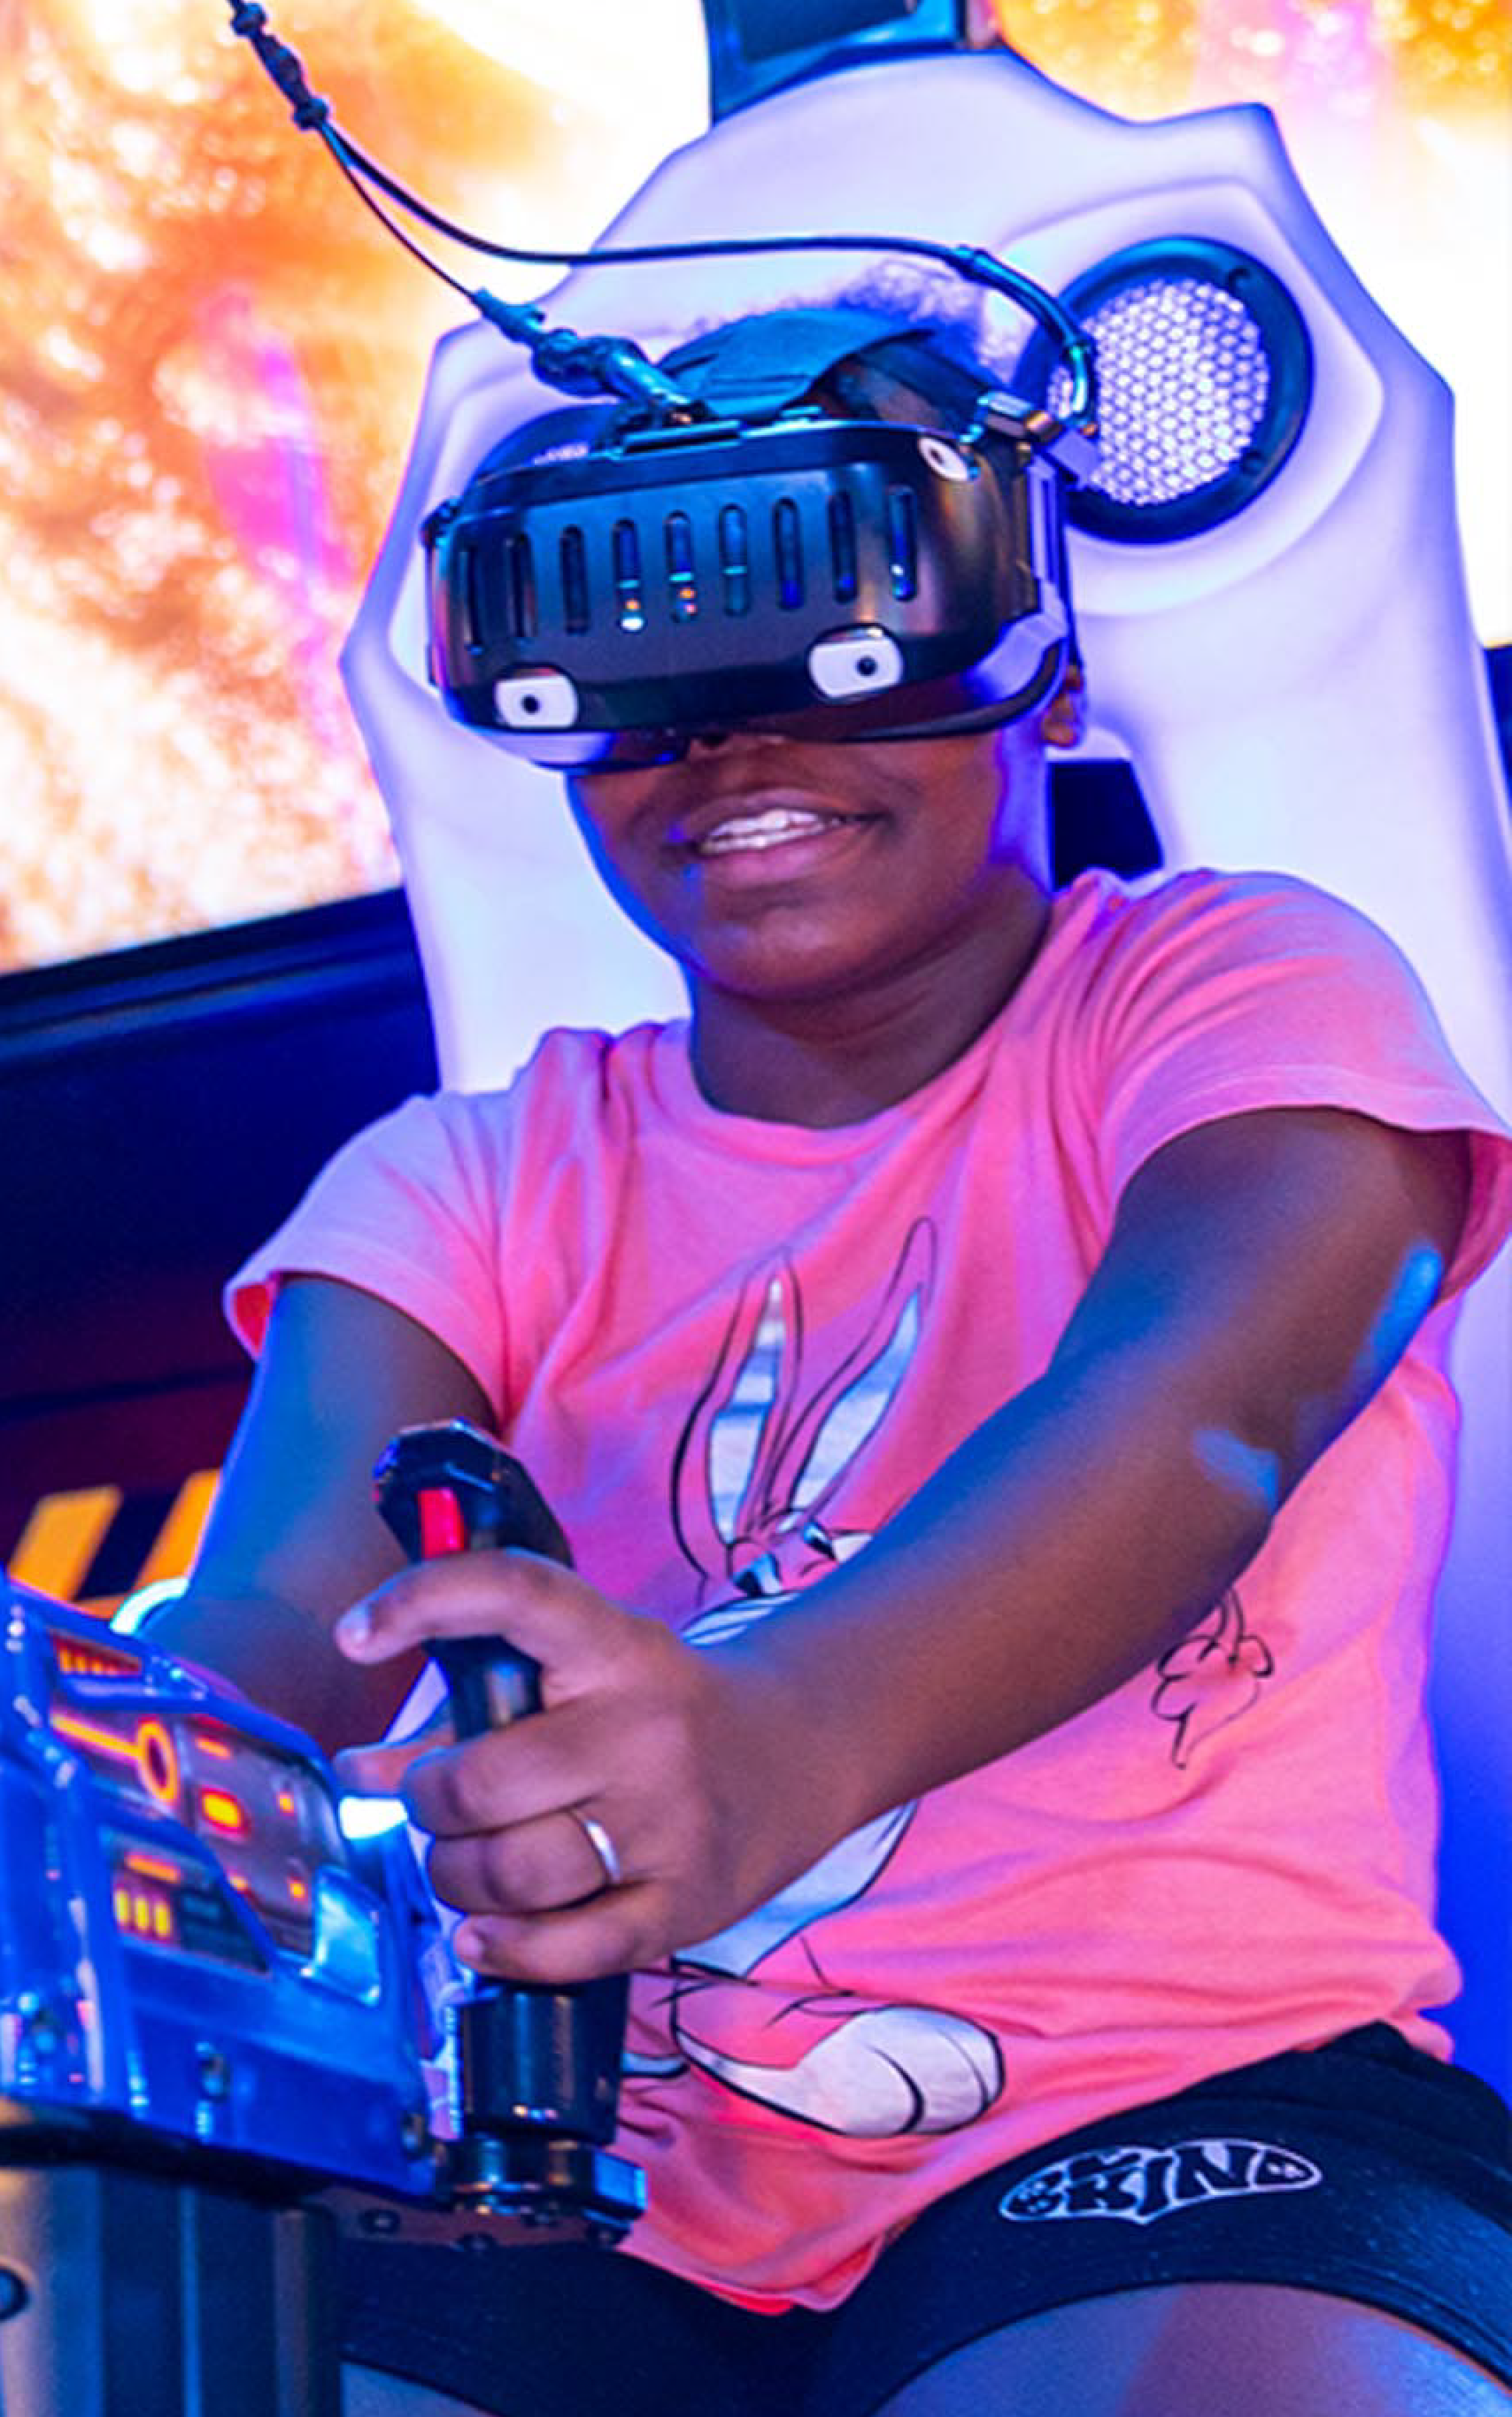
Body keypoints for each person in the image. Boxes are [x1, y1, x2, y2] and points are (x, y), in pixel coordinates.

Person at [148, 309, 1512, 2417]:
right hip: (571, 2189)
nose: (738, 748)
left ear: (1036, 654)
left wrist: (774, 1744)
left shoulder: (1230, 993)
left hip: (1193, 2120)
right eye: (652, 688)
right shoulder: (470, 1182)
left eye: (821, 640)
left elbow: (1206, 1407)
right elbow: (266, 1631)